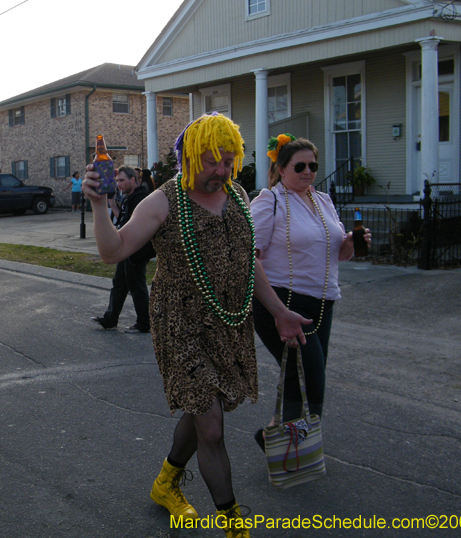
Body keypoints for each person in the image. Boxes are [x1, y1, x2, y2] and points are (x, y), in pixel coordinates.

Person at [82, 113, 309, 536]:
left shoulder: (238, 196)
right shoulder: (163, 201)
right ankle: (234, 524)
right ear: (187, 156)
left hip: (228, 322)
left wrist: (279, 311)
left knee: (203, 407)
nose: (221, 171)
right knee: (211, 423)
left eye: (228, 161)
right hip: (180, 325)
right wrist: (99, 205)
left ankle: (166, 481)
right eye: (211, 161)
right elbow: (113, 251)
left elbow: (248, 263)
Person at [250, 134, 371, 450]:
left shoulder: (323, 201)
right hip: (283, 302)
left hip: (324, 302)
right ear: (282, 167)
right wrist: (275, 309)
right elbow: (251, 256)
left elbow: (338, 254)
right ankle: (294, 449)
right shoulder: (269, 201)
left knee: (302, 374)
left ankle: (275, 437)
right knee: (310, 379)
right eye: (299, 165)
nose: (307, 171)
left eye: (313, 165)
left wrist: (349, 245)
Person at [90, 166, 152, 334]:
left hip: (135, 251)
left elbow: (138, 227)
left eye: (122, 180)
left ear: (133, 180)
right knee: (119, 283)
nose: (119, 184)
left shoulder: (140, 199)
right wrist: (110, 203)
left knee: (136, 285)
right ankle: (110, 319)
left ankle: (144, 323)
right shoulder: (128, 197)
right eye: (117, 181)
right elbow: (121, 219)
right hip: (125, 248)